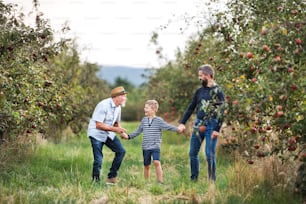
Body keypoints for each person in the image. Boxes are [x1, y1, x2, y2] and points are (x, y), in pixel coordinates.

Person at [178, 64, 225, 182]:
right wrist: (182, 122)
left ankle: (211, 181)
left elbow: (221, 112)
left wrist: (216, 129)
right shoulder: (199, 91)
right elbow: (191, 107)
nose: (199, 78)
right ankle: (194, 179)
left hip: (212, 125)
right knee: (192, 153)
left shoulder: (218, 91)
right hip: (198, 124)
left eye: (201, 76)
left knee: (209, 155)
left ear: (208, 75)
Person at [120, 100, 184, 184]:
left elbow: (168, 127)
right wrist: (128, 136)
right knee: (147, 165)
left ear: (153, 109)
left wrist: (178, 129)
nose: (144, 109)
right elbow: (137, 131)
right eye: (145, 107)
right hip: (145, 146)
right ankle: (146, 182)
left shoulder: (159, 121)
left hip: (155, 146)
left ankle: (160, 182)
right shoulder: (144, 120)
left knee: (156, 162)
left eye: (146, 108)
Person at [87, 86, 128, 184]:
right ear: (117, 97)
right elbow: (99, 125)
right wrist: (116, 130)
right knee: (98, 160)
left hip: (107, 133)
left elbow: (116, 123)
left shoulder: (118, 107)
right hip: (96, 133)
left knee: (121, 151)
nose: (125, 98)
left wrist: (122, 132)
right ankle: (95, 182)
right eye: (124, 96)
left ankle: (111, 177)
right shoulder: (103, 105)